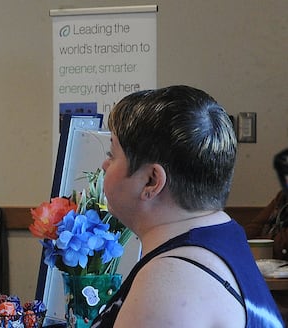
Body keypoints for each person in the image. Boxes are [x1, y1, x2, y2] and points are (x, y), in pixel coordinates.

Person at [90, 85, 282, 328]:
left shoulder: (170, 283)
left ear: (151, 180)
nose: (105, 165)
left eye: (112, 153)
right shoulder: (221, 234)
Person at [244, 148, 288, 260]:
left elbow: (282, 245)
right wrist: (236, 239)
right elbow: (256, 225)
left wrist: (261, 240)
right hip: (268, 263)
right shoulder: (282, 196)